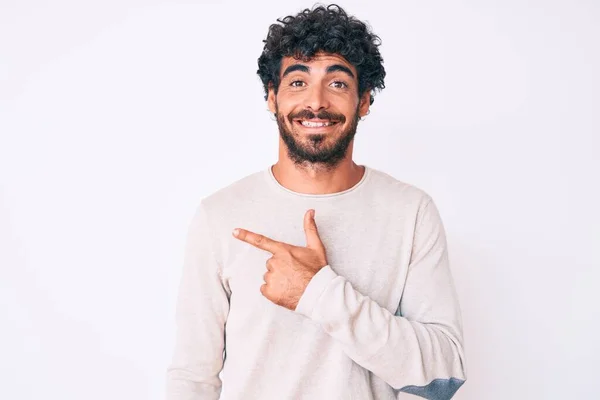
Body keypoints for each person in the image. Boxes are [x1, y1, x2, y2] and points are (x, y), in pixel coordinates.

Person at [166, 4, 467, 400]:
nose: (317, 102)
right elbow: (193, 377)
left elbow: (442, 375)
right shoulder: (220, 215)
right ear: (272, 97)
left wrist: (318, 293)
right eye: (297, 82)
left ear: (364, 101)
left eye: (338, 83)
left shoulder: (410, 212)